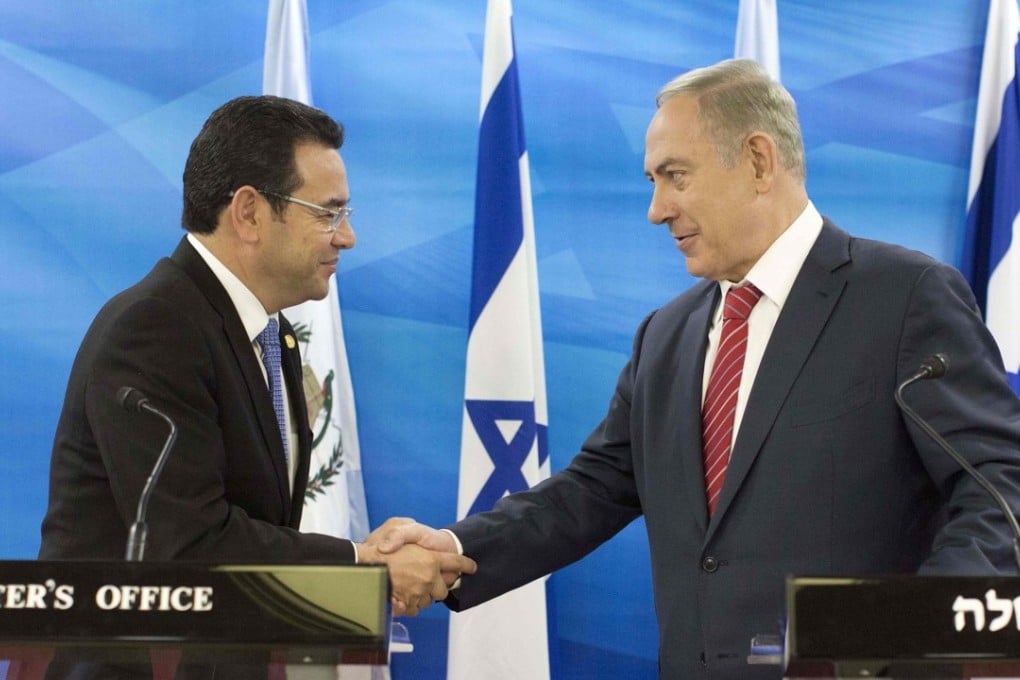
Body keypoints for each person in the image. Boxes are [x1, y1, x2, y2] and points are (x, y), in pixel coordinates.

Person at [378, 59, 1020, 679]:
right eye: (652, 181)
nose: (657, 209)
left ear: (759, 162)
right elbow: (594, 489)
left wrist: (924, 632)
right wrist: (456, 551)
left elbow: (997, 482)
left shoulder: (903, 297)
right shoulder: (667, 334)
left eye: (675, 176)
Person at [39, 96, 474, 610]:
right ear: (249, 213)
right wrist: (359, 563)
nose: (349, 238)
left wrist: (360, 560)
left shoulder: (273, 336)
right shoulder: (154, 329)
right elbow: (188, 544)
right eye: (329, 213)